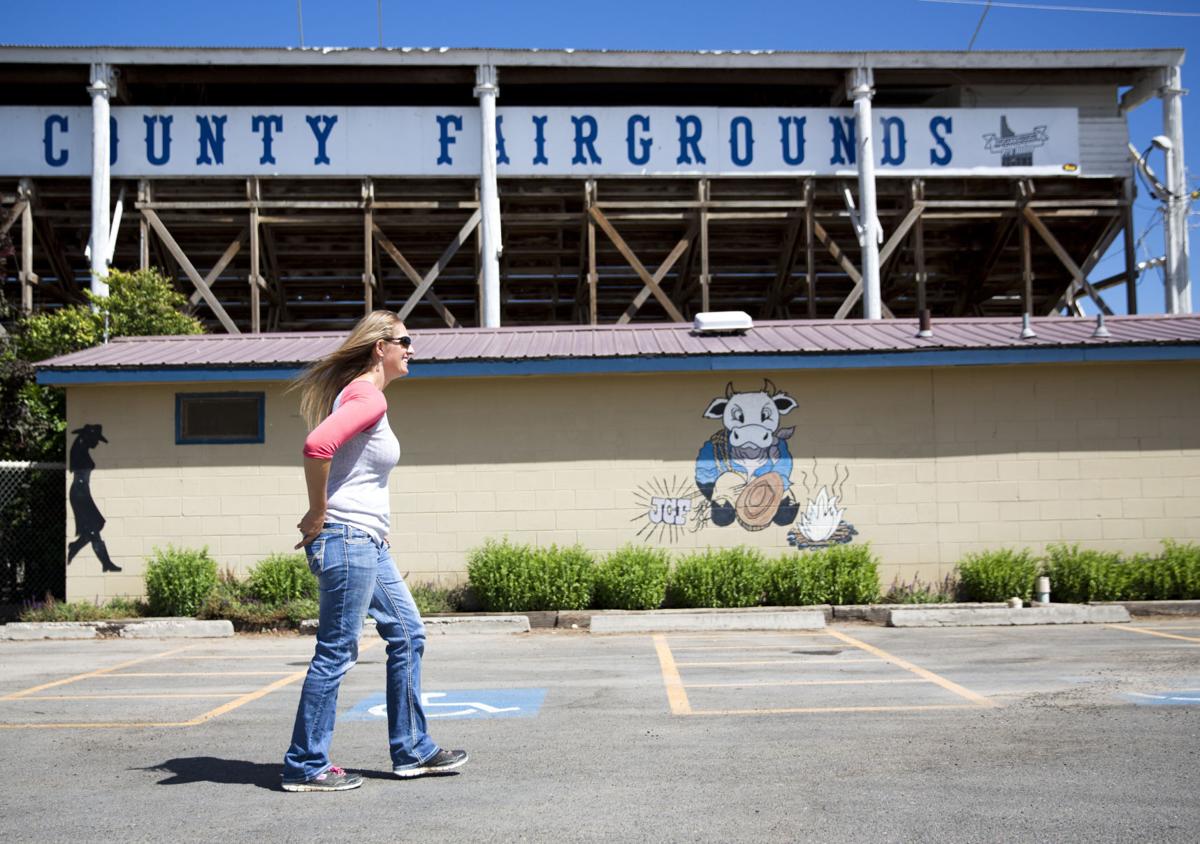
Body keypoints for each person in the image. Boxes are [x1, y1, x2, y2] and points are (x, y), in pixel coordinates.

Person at [281, 310, 467, 793]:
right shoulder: (367, 396)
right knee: (336, 652)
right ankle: (305, 763)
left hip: (367, 542)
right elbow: (317, 446)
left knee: (408, 633)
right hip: (347, 538)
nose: (412, 349)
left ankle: (412, 750)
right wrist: (318, 511)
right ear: (379, 347)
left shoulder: (361, 396)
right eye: (404, 341)